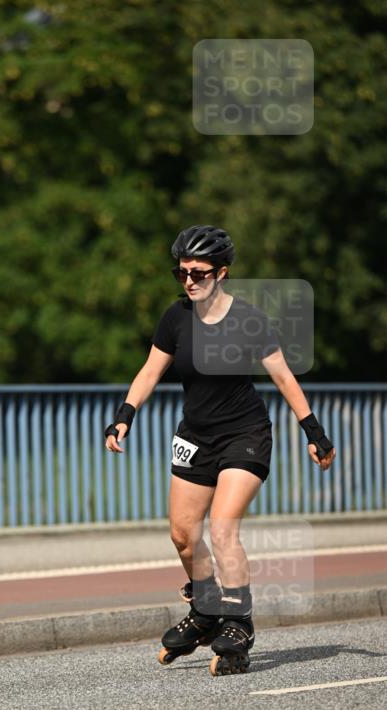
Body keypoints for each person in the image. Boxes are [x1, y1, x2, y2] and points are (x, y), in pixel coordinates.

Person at [104, 225, 336, 676]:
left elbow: (284, 378)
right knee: (182, 534)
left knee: (223, 528)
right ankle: (206, 609)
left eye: (198, 272)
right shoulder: (175, 318)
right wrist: (124, 414)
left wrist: (314, 432)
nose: (188, 280)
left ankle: (238, 623)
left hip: (244, 433)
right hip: (195, 436)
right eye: (181, 272)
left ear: (222, 273)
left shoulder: (248, 320)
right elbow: (150, 371)